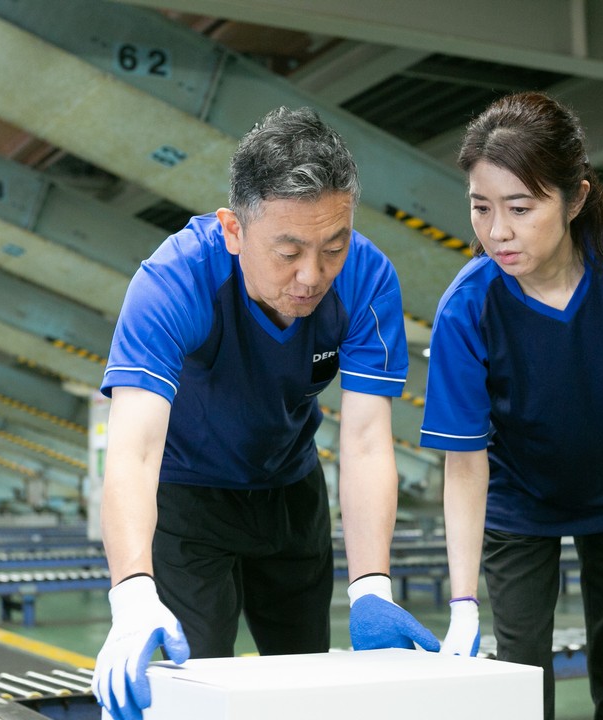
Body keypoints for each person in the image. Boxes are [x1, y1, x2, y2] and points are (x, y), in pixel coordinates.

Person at [91, 106, 440, 720]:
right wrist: (132, 589)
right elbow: (134, 449)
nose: (312, 276)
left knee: (306, 688)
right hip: (186, 501)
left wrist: (371, 584)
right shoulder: (173, 282)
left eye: (333, 246)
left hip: (291, 495)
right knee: (193, 683)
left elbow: (363, 441)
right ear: (232, 230)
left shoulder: (365, 279)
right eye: (288, 252)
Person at [420, 92, 603, 720]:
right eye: (481, 207)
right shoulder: (467, 308)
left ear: (575, 198)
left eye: (521, 208)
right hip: (519, 501)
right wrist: (464, 603)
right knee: (521, 679)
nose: (497, 231)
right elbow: (465, 463)